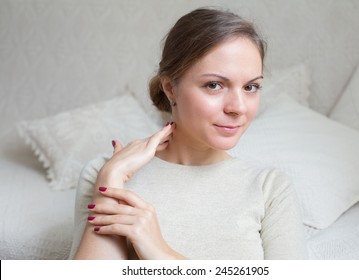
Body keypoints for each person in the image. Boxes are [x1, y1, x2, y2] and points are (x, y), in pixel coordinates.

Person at [69, 7, 306, 260]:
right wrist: (112, 176)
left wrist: (159, 251)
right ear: (170, 88)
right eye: (214, 85)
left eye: (251, 87)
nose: (238, 107)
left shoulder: (270, 188)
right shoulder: (104, 173)